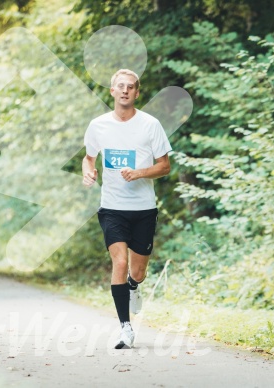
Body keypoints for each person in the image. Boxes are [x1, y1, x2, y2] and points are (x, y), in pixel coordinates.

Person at [82, 69, 171, 349]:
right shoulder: (98, 125)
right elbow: (88, 157)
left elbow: (165, 166)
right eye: (120, 86)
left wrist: (140, 173)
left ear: (136, 92)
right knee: (119, 263)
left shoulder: (150, 125)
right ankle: (125, 328)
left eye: (130, 87)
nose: (124, 91)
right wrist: (89, 172)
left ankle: (134, 286)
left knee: (138, 271)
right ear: (111, 91)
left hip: (143, 208)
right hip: (112, 207)